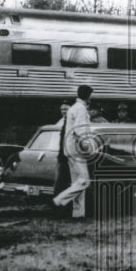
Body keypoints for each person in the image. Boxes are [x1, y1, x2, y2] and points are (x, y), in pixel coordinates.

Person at [53, 85, 93, 220]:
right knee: (85, 181)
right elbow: (80, 131)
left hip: (69, 149)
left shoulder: (73, 108)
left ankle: (78, 214)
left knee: (77, 182)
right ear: (88, 96)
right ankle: (59, 199)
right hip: (77, 150)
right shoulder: (81, 109)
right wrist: (88, 146)